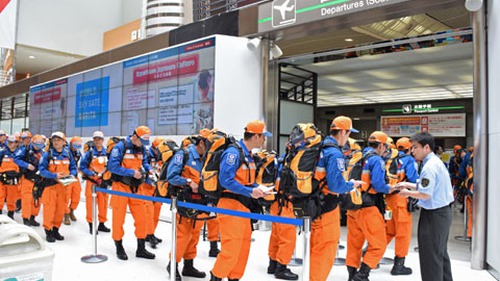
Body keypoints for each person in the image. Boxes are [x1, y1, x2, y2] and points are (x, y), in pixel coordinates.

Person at [210, 120, 270, 281]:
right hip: (230, 206)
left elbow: (247, 181)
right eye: (263, 136)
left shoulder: (248, 156)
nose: (264, 140)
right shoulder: (233, 153)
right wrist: (251, 191)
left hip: (244, 207)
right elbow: (225, 180)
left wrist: (261, 188)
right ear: (256, 136)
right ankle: (216, 276)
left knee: (243, 248)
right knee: (231, 249)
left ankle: (234, 277)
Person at [397, 132, 454, 281]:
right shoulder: (434, 162)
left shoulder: (429, 166)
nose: (413, 151)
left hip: (434, 215)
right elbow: (427, 185)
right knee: (440, 253)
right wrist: (408, 184)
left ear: (426, 147)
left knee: (430, 257)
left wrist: (407, 193)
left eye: (415, 147)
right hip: (442, 213)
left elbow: (426, 194)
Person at [314, 116, 364, 281]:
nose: (349, 137)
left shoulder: (320, 147)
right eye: (349, 133)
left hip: (315, 204)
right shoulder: (335, 153)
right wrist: (351, 185)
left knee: (316, 248)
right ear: (343, 132)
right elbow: (335, 186)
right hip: (327, 206)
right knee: (326, 249)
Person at [346, 131, 397, 281]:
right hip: (369, 207)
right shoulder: (376, 160)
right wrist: (391, 188)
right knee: (379, 244)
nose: (385, 150)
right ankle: (362, 275)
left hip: (353, 205)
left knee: (354, 243)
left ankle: (352, 275)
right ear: (381, 145)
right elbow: (378, 184)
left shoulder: (357, 156)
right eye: (385, 147)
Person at [166, 130, 209, 280]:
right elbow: (171, 177)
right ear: (201, 143)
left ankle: (188, 266)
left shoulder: (207, 158)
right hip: (183, 201)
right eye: (209, 144)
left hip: (199, 203)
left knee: (194, 235)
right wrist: (189, 182)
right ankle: (172, 265)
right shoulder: (183, 155)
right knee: (182, 235)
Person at [107, 126, 155, 260]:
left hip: (137, 187)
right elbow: (112, 167)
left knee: (142, 218)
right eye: (141, 141)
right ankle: (119, 246)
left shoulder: (142, 148)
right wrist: (131, 172)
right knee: (118, 218)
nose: (142, 145)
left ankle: (141, 248)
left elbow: (144, 161)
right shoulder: (120, 147)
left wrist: (149, 169)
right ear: (135, 136)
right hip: (120, 187)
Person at [384, 137, 419, 275]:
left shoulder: (388, 157)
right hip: (401, 199)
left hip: (388, 199)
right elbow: (413, 178)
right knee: (403, 233)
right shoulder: (409, 160)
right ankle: (399, 265)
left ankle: (371, 253)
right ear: (409, 148)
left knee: (389, 230)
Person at [38, 132, 78, 242]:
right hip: (50, 187)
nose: (56, 142)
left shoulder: (68, 154)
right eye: (54, 140)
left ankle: (56, 229)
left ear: (64, 142)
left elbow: (73, 167)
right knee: (49, 210)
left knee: (60, 210)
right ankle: (48, 230)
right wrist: (54, 175)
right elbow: (41, 170)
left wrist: (72, 175)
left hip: (63, 187)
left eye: (59, 140)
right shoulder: (47, 154)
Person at [79, 131, 110, 234]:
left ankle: (102, 224)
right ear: (93, 140)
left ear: (103, 140)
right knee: (91, 204)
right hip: (92, 182)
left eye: (99, 139)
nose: (98, 141)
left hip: (103, 183)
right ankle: (91, 225)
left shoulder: (108, 153)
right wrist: (91, 173)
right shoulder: (89, 153)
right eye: (96, 139)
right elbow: (82, 167)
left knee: (103, 204)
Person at [14, 134, 45, 226]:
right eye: (36, 144)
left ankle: (33, 217)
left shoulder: (43, 152)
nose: (38, 146)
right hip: (27, 177)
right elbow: (16, 159)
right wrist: (26, 165)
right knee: (27, 199)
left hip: (39, 179)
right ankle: (26, 218)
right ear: (32, 142)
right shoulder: (25, 150)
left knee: (37, 198)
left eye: (40, 144)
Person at [144, 136, 165, 248]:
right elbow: (143, 167)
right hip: (147, 186)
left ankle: (151, 233)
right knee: (149, 212)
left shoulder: (164, 156)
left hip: (158, 188)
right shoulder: (147, 155)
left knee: (156, 211)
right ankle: (149, 234)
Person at [0, 135, 21, 219]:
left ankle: (10, 214)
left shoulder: (20, 153)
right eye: (9, 142)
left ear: (17, 143)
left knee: (12, 198)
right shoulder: (3, 152)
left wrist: (18, 175)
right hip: (2, 178)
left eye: (12, 142)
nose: (10, 144)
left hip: (13, 179)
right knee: (0, 196)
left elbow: (23, 166)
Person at [64, 136, 83, 225]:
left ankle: (72, 210)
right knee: (66, 196)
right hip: (66, 176)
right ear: (71, 144)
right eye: (75, 145)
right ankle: (66, 214)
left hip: (74, 176)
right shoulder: (65, 152)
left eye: (78, 145)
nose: (76, 147)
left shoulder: (78, 152)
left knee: (77, 193)